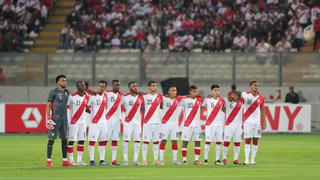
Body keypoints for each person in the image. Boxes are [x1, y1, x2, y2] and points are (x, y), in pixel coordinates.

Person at [46, 74, 71, 167]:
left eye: (65, 80)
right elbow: (48, 105)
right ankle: (48, 160)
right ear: (58, 82)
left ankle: (65, 161)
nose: (65, 82)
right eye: (62, 80)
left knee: (64, 139)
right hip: (55, 119)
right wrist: (48, 117)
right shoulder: (53, 92)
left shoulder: (67, 92)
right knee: (51, 139)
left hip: (64, 119)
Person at [242, 80, 266, 165]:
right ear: (250, 86)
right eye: (255, 85)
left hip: (257, 122)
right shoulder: (244, 95)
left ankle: (252, 160)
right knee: (247, 139)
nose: (256, 87)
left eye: (257, 85)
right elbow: (235, 98)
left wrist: (264, 122)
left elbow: (262, 110)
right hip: (247, 121)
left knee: (256, 139)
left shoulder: (261, 97)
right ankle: (246, 160)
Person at [159, 85, 183, 165]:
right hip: (165, 124)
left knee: (175, 142)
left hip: (175, 125)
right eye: (172, 90)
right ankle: (161, 160)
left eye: (175, 90)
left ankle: (175, 160)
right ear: (168, 92)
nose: (174, 92)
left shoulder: (179, 100)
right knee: (163, 141)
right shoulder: (164, 99)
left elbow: (190, 97)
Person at [67, 81, 89, 166]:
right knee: (72, 141)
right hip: (74, 122)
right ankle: (71, 160)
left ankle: (80, 160)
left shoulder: (86, 96)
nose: (83, 86)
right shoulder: (72, 96)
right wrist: (68, 121)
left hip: (83, 122)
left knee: (81, 140)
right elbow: (67, 108)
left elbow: (86, 107)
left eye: (83, 85)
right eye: (80, 85)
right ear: (77, 87)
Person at [121, 81, 144, 166]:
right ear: (129, 87)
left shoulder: (141, 97)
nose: (135, 87)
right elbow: (119, 108)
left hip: (137, 123)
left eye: (136, 86)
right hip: (128, 123)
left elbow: (144, 108)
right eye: (133, 86)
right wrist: (122, 119)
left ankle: (135, 160)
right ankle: (125, 160)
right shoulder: (125, 97)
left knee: (137, 141)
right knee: (126, 141)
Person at [202, 84, 225, 165]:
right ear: (211, 91)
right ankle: (205, 159)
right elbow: (200, 106)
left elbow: (225, 110)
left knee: (219, 142)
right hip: (210, 124)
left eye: (218, 90)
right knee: (208, 141)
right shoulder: (207, 100)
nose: (217, 92)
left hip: (219, 125)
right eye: (215, 90)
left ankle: (217, 159)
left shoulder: (222, 100)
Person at [141, 81, 163, 165]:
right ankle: (144, 160)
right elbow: (141, 108)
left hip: (157, 123)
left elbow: (161, 108)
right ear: (149, 87)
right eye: (153, 86)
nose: (155, 87)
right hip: (147, 122)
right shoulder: (144, 97)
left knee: (156, 142)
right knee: (146, 142)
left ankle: (155, 160)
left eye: (155, 86)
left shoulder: (160, 97)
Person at [180, 85, 203, 165]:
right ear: (190, 92)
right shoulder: (185, 100)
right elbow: (177, 99)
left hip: (197, 126)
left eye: (196, 91)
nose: (195, 93)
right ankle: (184, 160)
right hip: (187, 125)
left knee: (198, 142)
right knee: (185, 142)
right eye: (193, 91)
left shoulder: (199, 99)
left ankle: (196, 160)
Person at [88, 80, 108, 166]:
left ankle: (102, 160)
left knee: (102, 142)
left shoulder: (106, 96)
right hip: (94, 123)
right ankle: (92, 161)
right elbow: (87, 107)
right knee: (92, 141)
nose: (100, 88)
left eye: (102, 86)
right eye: (99, 86)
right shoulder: (93, 96)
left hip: (103, 123)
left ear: (105, 88)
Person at [222, 91, 243, 165]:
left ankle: (235, 159)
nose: (234, 96)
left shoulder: (241, 103)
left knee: (237, 143)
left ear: (239, 96)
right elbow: (222, 104)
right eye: (233, 95)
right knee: (226, 142)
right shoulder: (227, 101)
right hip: (229, 125)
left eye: (236, 95)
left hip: (238, 126)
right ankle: (224, 158)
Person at [105, 80, 122, 165]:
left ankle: (114, 160)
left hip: (117, 120)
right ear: (112, 85)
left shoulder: (121, 95)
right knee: (105, 139)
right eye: (116, 85)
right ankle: (102, 160)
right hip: (108, 119)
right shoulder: (107, 94)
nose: (118, 87)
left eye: (119, 85)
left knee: (115, 139)